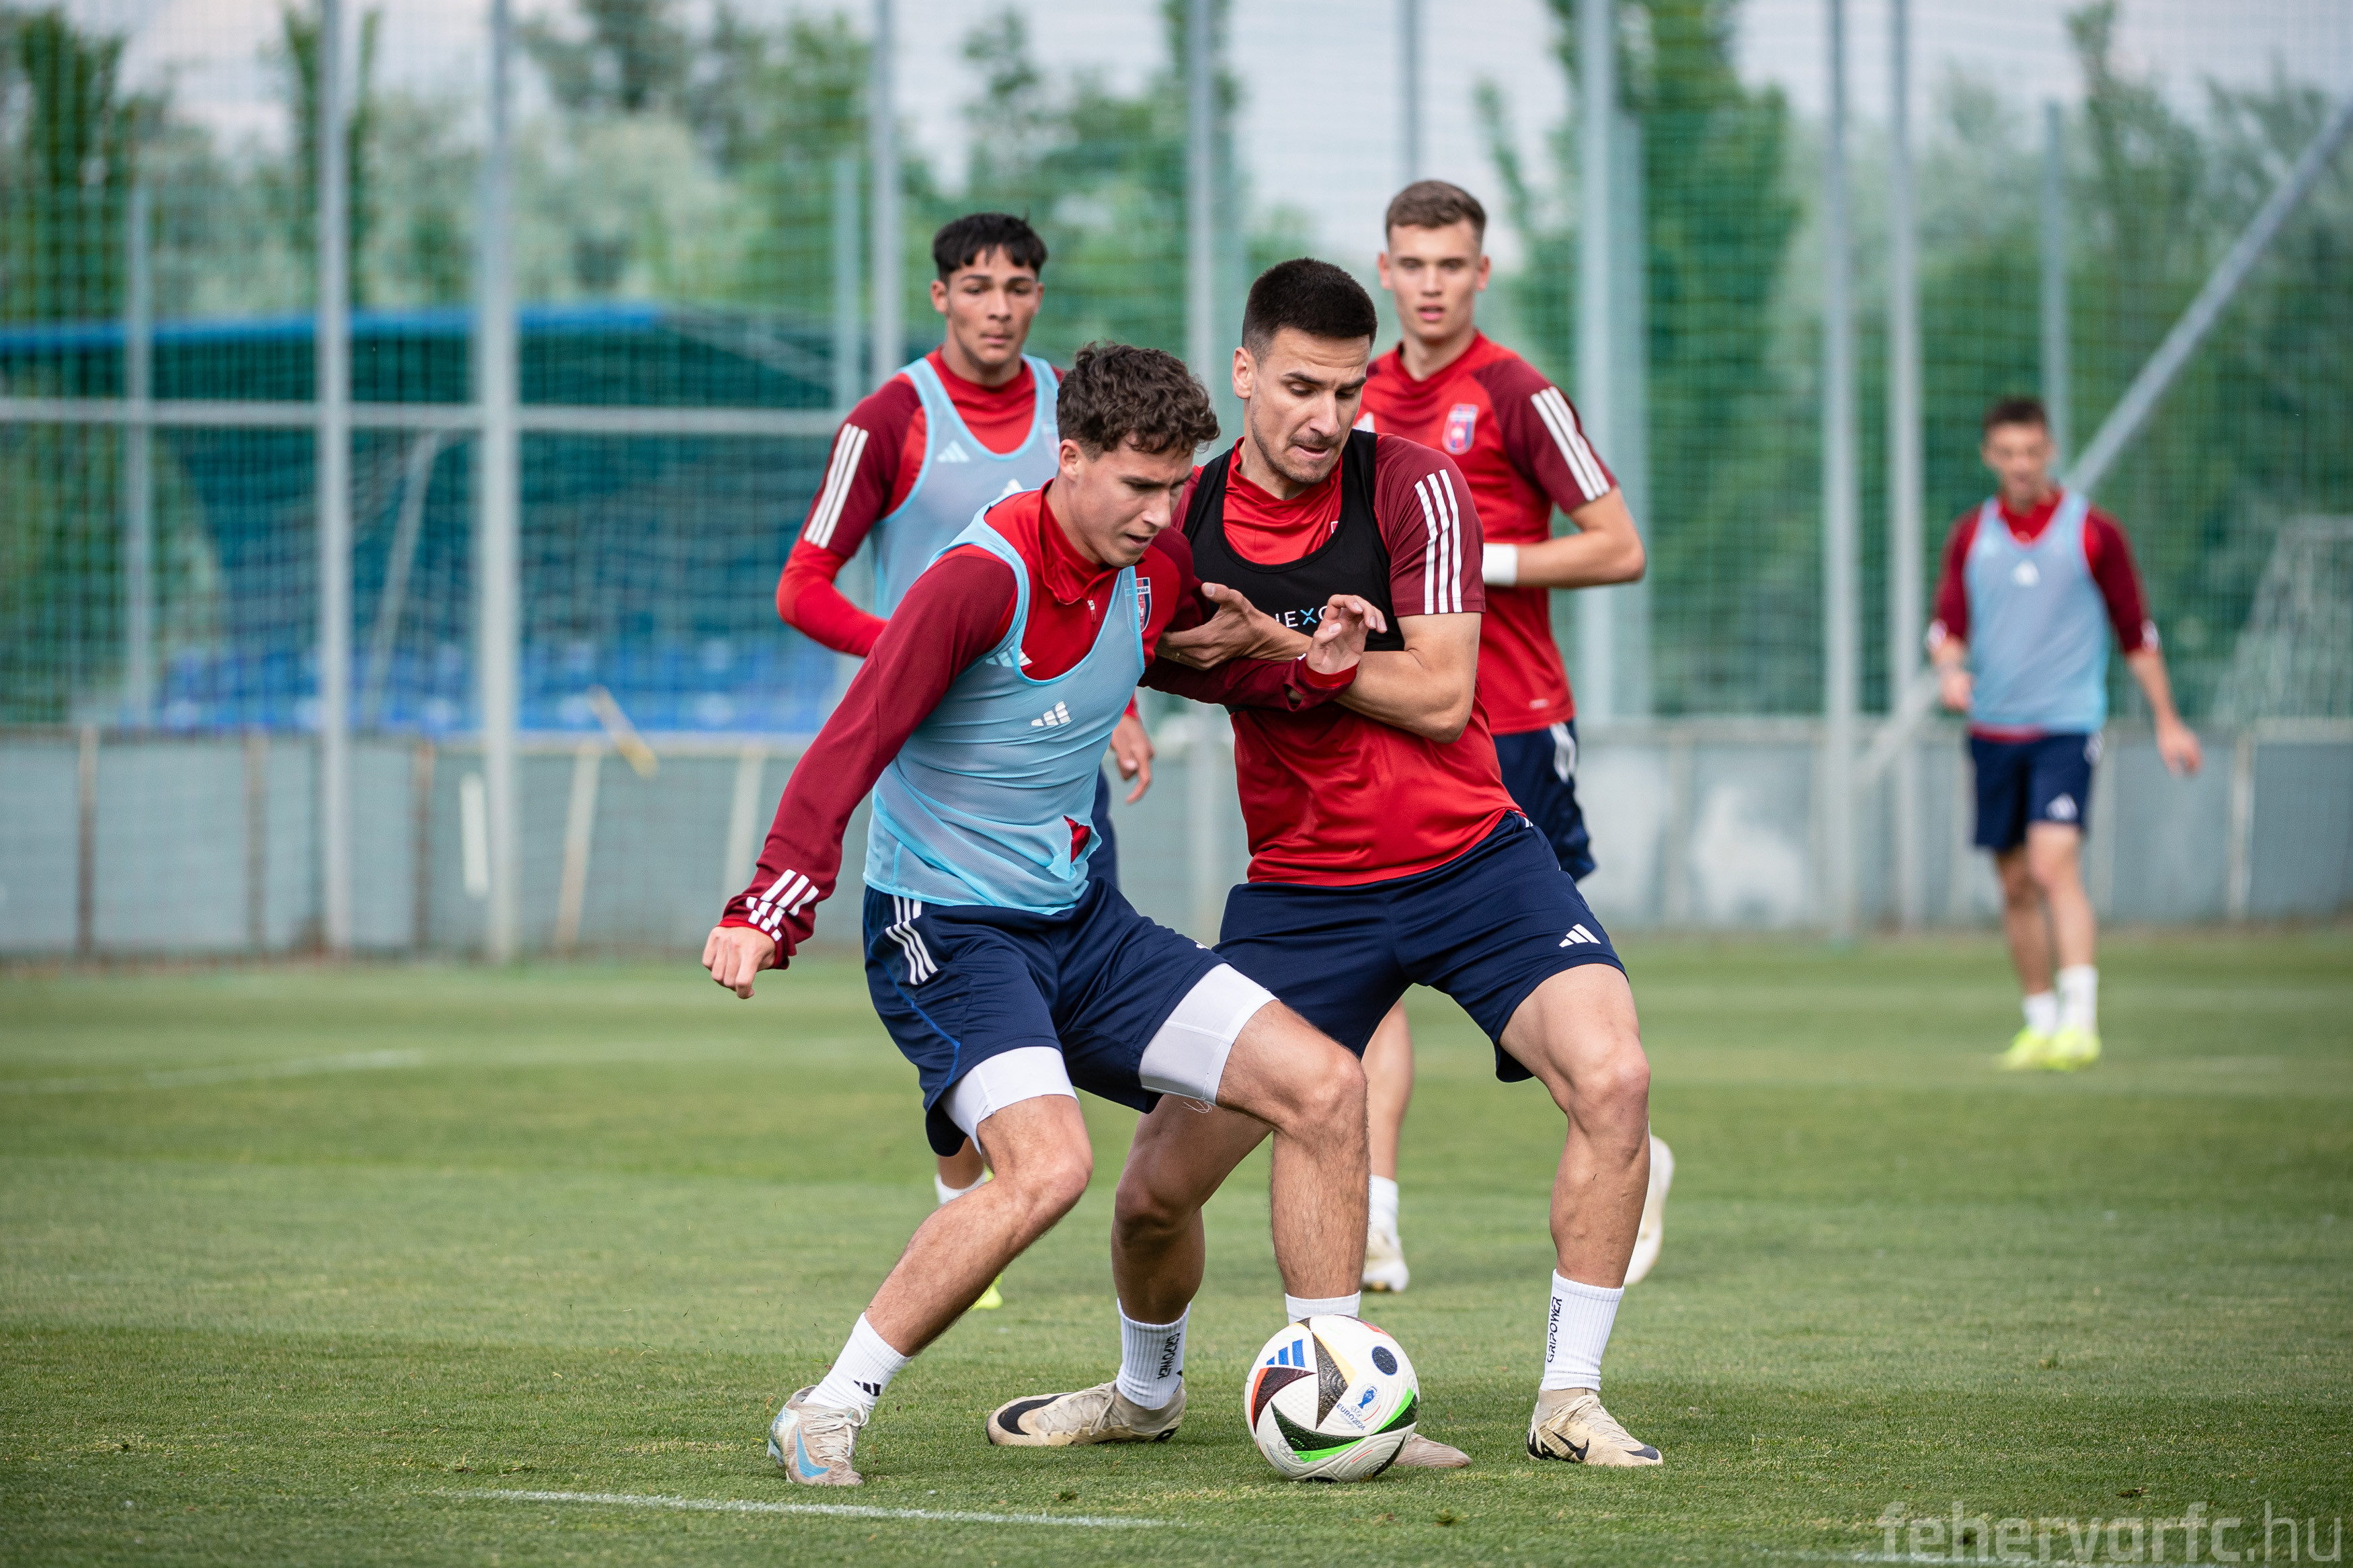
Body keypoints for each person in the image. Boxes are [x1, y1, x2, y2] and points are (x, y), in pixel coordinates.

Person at [988, 260, 1664, 1469]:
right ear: (1245, 373)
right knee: (1152, 1195)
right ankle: (1147, 1393)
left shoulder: (1416, 485)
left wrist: (1287, 647)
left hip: (1475, 863)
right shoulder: (1179, 517)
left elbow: (1445, 695)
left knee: (1614, 1079)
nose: (1327, 415)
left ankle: (1569, 1399)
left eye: (1349, 390)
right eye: (1302, 386)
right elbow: (1102, 634)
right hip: (1305, 895)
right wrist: (1137, 695)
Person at [708, 343, 1386, 1487]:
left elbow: (1196, 654)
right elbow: (853, 741)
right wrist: (768, 904)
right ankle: (826, 1409)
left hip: (1084, 925)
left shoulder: (1154, 562)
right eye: (1138, 484)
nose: (1161, 512)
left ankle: (1335, 1403)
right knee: (1049, 1167)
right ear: (1069, 459)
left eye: (1175, 486)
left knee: (1325, 1085)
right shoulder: (976, 582)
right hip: (948, 933)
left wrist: (1304, 663)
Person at [776, 212, 1156, 1270]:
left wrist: (1122, 704)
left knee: (1075, 963)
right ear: (940, 295)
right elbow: (802, 587)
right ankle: (966, 1191)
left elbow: (1107, 579)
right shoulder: (889, 420)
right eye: (977, 287)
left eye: (1019, 287)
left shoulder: (1073, 409)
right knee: (971, 987)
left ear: (1039, 297)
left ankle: (1047, 1182)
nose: (999, 307)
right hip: (939, 771)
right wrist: (916, 652)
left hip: (1055, 758)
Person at [1354, 179, 1671, 1296]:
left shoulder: (1518, 393)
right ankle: (1375, 1217)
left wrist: (1476, 561)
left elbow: (1619, 545)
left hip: (1517, 723)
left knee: (1548, 990)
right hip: (1396, 719)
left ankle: (1634, 1147)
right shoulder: (1357, 394)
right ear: (1385, 271)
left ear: (1482, 273)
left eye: (1452, 264)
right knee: (1370, 967)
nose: (1431, 283)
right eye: (1413, 263)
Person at [1930, 395, 2201, 1072]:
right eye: (2007, 453)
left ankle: (2081, 1023)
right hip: (1993, 731)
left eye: (2031, 451)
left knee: (2052, 865)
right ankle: (2040, 1021)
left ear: (2049, 451)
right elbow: (1947, 627)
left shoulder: (2093, 532)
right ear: (1989, 457)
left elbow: (2135, 632)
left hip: (2065, 726)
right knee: (2015, 883)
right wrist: (1950, 671)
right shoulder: (1970, 535)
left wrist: (2167, 719)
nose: (2020, 465)